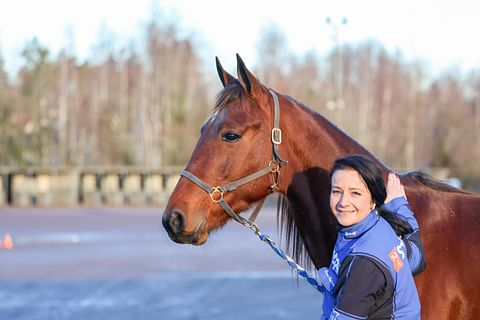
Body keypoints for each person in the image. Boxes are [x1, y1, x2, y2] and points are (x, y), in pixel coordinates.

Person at [317, 154, 426, 319]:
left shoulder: (365, 261)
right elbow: (417, 259)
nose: (343, 202)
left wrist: (335, 287)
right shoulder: (379, 225)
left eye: (355, 193)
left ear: (373, 199)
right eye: (337, 191)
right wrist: (398, 204)